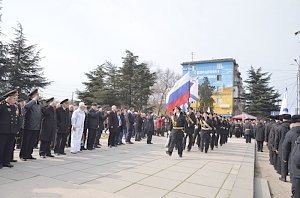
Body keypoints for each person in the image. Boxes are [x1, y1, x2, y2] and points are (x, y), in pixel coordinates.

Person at [20, 89, 42, 161]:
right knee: (26, 141)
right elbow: (26, 107)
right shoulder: (28, 102)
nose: (38, 96)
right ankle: (23, 155)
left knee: (32, 142)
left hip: (36, 126)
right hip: (28, 126)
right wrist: (33, 100)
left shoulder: (38, 104)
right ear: (33, 95)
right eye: (37, 95)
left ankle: (29, 154)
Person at [0, 90, 20, 168]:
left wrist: (16, 129)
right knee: (1, 147)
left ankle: (6, 161)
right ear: (9, 98)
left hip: (12, 130)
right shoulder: (2, 105)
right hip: (3, 130)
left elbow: (16, 119)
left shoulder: (14, 107)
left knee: (9, 146)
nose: (15, 100)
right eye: (14, 98)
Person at [282, 115, 300, 198]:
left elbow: (285, 147)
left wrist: (284, 158)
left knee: (295, 186)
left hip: (294, 162)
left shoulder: (290, 132)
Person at [275, 114, 291, 182]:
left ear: (283, 119)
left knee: (283, 161)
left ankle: (283, 176)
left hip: (282, 146)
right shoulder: (291, 127)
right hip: (292, 146)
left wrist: (276, 147)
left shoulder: (280, 127)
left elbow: (277, 139)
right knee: (290, 161)